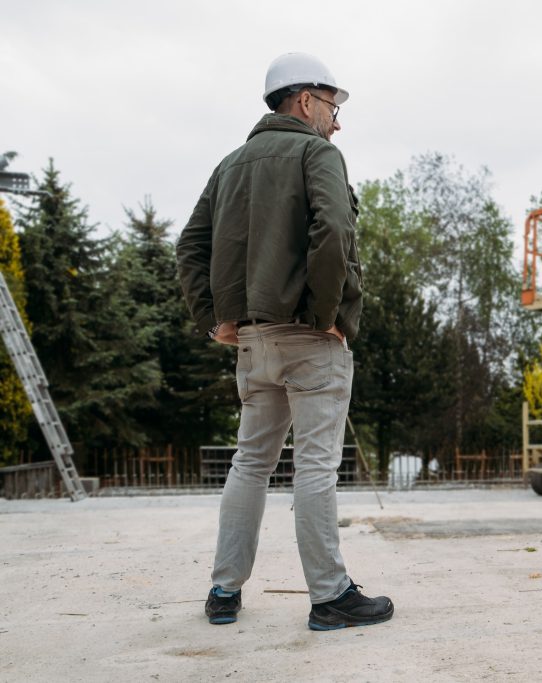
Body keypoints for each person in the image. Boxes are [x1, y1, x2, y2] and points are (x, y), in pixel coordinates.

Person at [176, 52, 393, 631]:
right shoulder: (317, 153)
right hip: (308, 337)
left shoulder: (229, 165)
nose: (337, 120)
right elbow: (334, 229)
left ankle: (224, 591)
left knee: (249, 462)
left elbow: (190, 245)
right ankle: (330, 597)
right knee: (316, 467)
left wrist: (215, 318)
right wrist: (324, 312)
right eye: (333, 105)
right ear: (304, 101)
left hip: (254, 341)